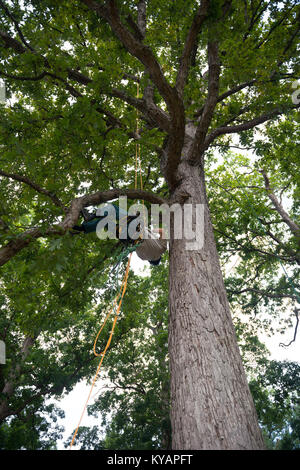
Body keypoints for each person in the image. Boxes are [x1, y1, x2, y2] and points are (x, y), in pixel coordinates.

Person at [72, 206, 168, 265]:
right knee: (106, 222)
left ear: (159, 258)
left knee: (113, 209)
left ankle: (93, 215)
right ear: (150, 261)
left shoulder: (162, 249)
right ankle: (83, 228)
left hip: (134, 226)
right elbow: (135, 246)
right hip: (125, 236)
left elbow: (162, 231)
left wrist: (151, 230)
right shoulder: (142, 257)